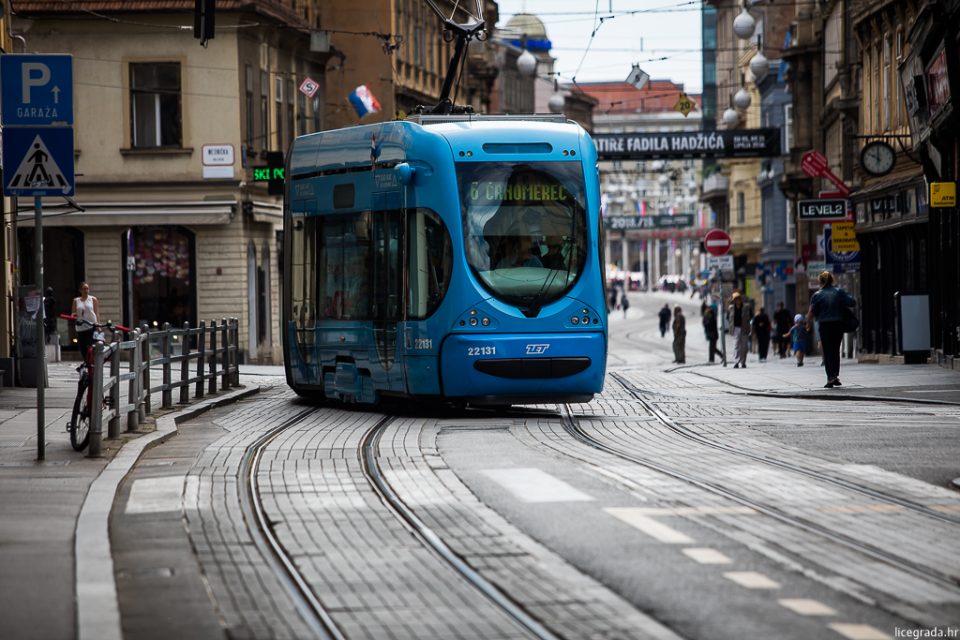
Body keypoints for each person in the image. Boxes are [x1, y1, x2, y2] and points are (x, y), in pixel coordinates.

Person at [807, 270, 856, 388]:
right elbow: (852, 302)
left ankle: (830, 377)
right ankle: (835, 375)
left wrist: (808, 323)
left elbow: (811, 313)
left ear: (820, 281)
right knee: (835, 350)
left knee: (827, 351)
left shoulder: (817, 295)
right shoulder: (839, 292)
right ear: (831, 280)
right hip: (838, 324)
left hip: (824, 326)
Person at [71, 281, 100, 357]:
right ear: (80, 290)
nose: (86, 291)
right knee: (83, 348)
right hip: (81, 327)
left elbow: (96, 313)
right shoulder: (76, 301)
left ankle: (92, 363)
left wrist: (98, 325)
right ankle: (87, 363)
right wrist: (75, 315)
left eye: (87, 289)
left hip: (91, 326)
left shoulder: (93, 299)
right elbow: (73, 313)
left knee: (91, 346)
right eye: (84, 289)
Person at [727, 292, 750, 368]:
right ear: (734, 300)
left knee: (744, 347)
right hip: (735, 328)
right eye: (736, 299)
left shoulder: (746, 307)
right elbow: (728, 318)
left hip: (744, 328)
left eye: (739, 299)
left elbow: (751, 316)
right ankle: (736, 362)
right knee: (736, 346)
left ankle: (743, 362)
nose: (738, 300)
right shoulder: (731, 308)